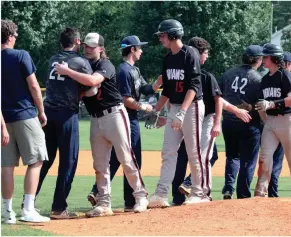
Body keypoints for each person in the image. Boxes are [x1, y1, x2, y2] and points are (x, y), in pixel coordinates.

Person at [55, 32, 149, 215]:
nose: (87, 49)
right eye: (85, 46)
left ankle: (141, 196)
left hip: (114, 114)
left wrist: (67, 71)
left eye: (92, 46)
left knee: (126, 158)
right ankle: (104, 203)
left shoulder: (105, 64)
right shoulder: (82, 65)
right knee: (100, 164)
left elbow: (93, 81)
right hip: (95, 118)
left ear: (101, 49)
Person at [86, 35, 162, 212]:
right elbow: (125, 97)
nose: (142, 51)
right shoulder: (123, 71)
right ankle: (106, 201)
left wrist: (159, 82)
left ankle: (136, 198)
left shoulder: (133, 70)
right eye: (139, 48)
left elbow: (145, 88)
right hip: (120, 115)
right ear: (132, 49)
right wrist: (142, 106)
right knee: (109, 161)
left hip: (120, 117)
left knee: (126, 158)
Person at [144, 19, 209, 207]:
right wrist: (156, 109)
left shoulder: (190, 54)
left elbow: (194, 86)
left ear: (173, 35)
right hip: (174, 107)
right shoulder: (168, 58)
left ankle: (199, 192)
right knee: (168, 152)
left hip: (191, 107)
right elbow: (167, 90)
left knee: (193, 152)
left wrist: (182, 112)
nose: (160, 38)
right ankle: (161, 194)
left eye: (162, 35)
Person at [35, 28, 93, 219]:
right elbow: (91, 87)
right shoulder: (80, 61)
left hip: (48, 114)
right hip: (67, 115)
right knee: (68, 161)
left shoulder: (52, 59)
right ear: (77, 41)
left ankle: (29, 203)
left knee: (45, 160)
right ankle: (59, 208)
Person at [218, 45, 284, 199]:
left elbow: (218, 97)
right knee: (248, 161)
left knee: (232, 156)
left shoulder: (228, 73)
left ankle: (228, 188)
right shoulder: (258, 79)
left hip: (228, 121)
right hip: (249, 123)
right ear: (259, 60)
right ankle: (243, 194)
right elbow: (261, 105)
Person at [1, 20, 50, 223]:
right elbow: (33, 86)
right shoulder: (21, 55)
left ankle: (7, 213)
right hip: (25, 114)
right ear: (11, 36)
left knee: (6, 166)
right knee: (36, 160)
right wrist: (42, 111)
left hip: (4, 118)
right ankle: (28, 209)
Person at [170, 36, 223, 204]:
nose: (207, 56)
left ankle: (200, 190)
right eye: (205, 53)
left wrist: (216, 122)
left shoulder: (206, 77)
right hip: (189, 119)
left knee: (203, 155)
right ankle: (196, 191)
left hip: (204, 119)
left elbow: (219, 100)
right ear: (197, 54)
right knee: (199, 156)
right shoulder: (199, 76)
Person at [253, 43, 291, 197]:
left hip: (287, 120)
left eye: (266, 56)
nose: (263, 59)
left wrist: (272, 104)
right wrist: (264, 114)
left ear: (274, 58)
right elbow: (262, 104)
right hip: (270, 121)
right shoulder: (264, 80)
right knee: (264, 158)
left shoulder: (284, 75)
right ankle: (260, 193)